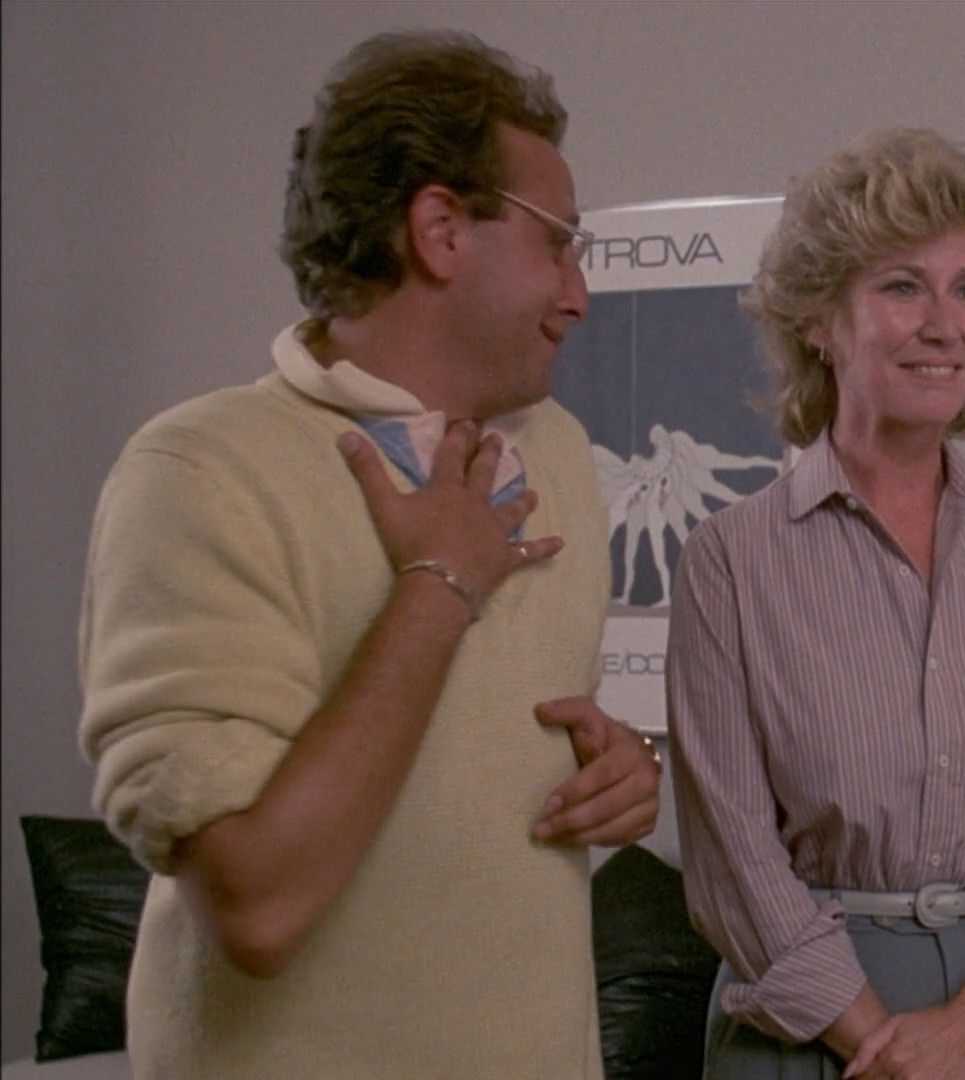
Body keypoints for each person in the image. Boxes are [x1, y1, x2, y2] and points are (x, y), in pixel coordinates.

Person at [78, 30, 662, 1078]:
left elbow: (473, 766)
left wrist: (618, 775)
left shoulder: (560, 453)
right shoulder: (198, 473)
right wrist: (437, 586)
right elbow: (256, 909)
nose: (579, 293)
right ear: (440, 229)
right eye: (557, 243)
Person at [667, 127, 965, 1080]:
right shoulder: (731, 563)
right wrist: (880, 1046)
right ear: (818, 320)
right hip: (811, 1027)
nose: (944, 324)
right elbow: (736, 862)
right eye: (903, 287)